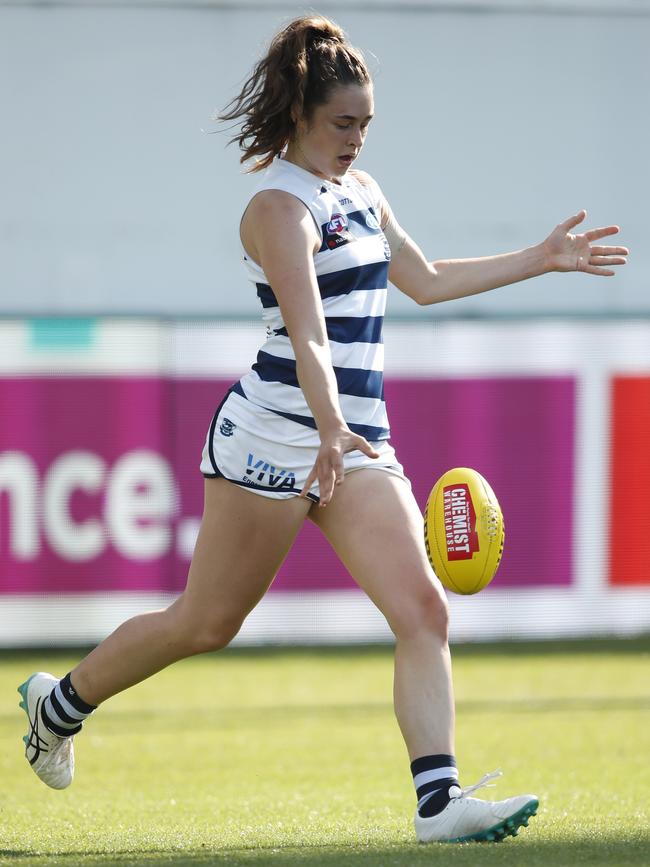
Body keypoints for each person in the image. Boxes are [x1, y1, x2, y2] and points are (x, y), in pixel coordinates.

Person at [18, 14, 627, 844]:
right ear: (300, 112)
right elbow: (306, 331)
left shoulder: (363, 191)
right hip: (273, 438)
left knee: (423, 611)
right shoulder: (276, 207)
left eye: (366, 123)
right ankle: (57, 706)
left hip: (356, 443)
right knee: (206, 623)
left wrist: (540, 256)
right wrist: (329, 426)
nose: (357, 138)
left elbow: (424, 277)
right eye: (344, 123)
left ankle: (438, 803)